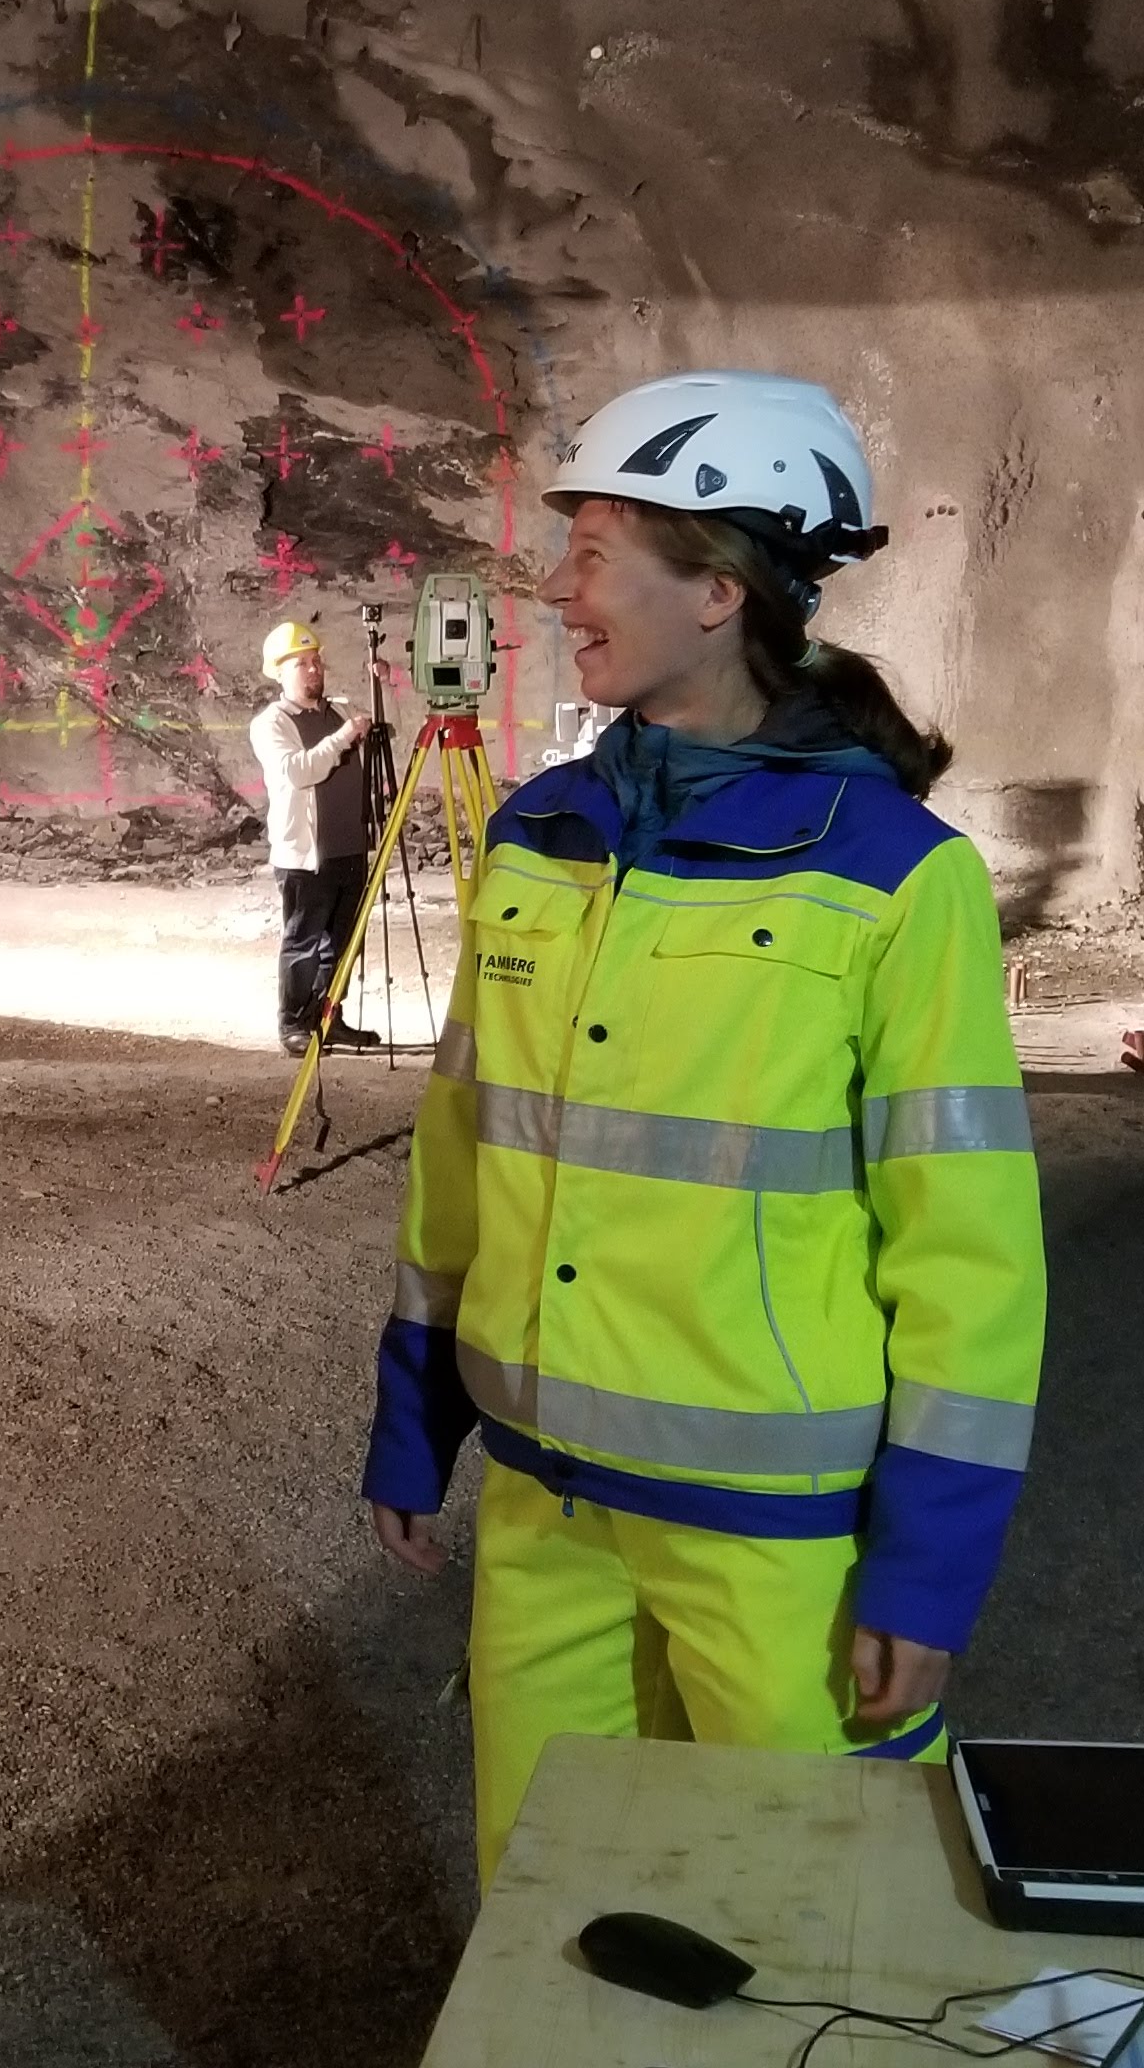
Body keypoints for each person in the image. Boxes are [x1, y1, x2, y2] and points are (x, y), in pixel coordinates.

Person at [358, 371, 1045, 1882]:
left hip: (774, 1539)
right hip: (544, 1502)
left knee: (806, 1910)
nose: (557, 586)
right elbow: (465, 1151)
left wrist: (925, 1575)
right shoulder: (545, 831)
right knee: (549, 1901)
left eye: (598, 552)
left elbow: (972, 1263)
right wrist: (419, 1423)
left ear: (720, 591)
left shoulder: (893, 877)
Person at [250, 616, 383, 1050]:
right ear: (280, 672)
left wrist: (384, 691)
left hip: (350, 849)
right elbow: (298, 771)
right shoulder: (271, 723)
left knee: (341, 946)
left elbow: (380, 741)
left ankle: (329, 1016)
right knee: (303, 943)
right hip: (306, 856)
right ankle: (293, 1024)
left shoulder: (337, 711)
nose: (313, 670)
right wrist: (344, 737)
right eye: (301, 664)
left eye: (316, 661)